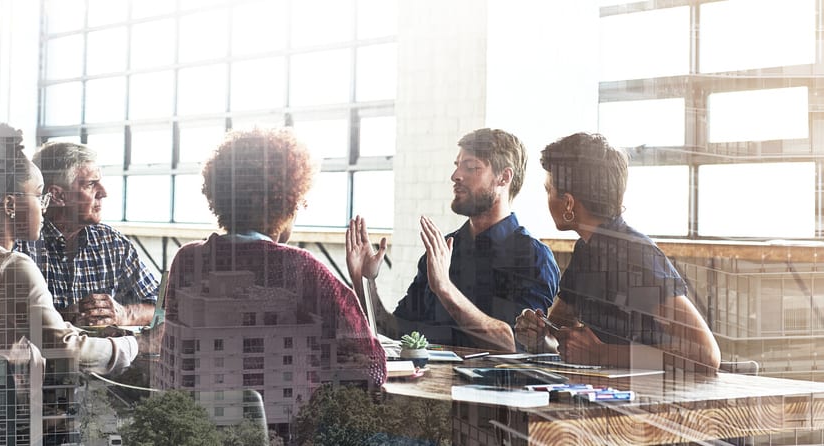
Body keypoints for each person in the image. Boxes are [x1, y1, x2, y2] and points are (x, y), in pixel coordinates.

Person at [0, 124, 138, 444]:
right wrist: (134, 345)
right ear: (10, 204)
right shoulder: (12, 267)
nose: (44, 209)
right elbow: (69, 351)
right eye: (39, 195)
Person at [161, 128, 386, 396]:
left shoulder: (186, 260)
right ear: (288, 204)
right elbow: (370, 366)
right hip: (287, 428)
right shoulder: (304, 268)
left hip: (198, 425)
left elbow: (172, 350)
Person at [515, 132, 721, 371]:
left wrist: (604, 354)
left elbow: (705, 355)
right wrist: (538, 333)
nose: (547, 198)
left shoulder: (635, 256)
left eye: (548, 190)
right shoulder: (586, 250)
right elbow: (557, 335)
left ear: (569, 202)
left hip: (655, 401)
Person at [348, 128, 560, 351]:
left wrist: (444, 288)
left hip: (489, 386)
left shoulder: (534, 257)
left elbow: (514, 344)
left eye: (470, 167)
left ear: (504, 177)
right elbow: (393, 329)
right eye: (457, 166)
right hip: (426, 385)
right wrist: (364, 282)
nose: (456, 176)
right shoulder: (443, 250)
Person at [15, 141, 158, 327]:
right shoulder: (18, 247)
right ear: (57, 196)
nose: (104, 193)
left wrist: (124, 314)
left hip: (108, 356)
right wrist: (58, 319)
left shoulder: (114, 244)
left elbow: (161, 308)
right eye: (91, 184)